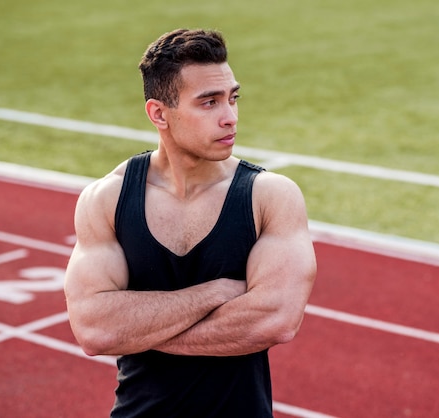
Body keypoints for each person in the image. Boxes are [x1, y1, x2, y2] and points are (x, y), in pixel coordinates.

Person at [63, 28, 317, 417]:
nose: (229, 117)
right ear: (159, 113)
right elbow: (96, 331)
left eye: (233, 98)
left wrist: (139, 330)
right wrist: (213, 294)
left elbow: (273, 322)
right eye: (209, 103)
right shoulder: (107, 200)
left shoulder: (270, 196)